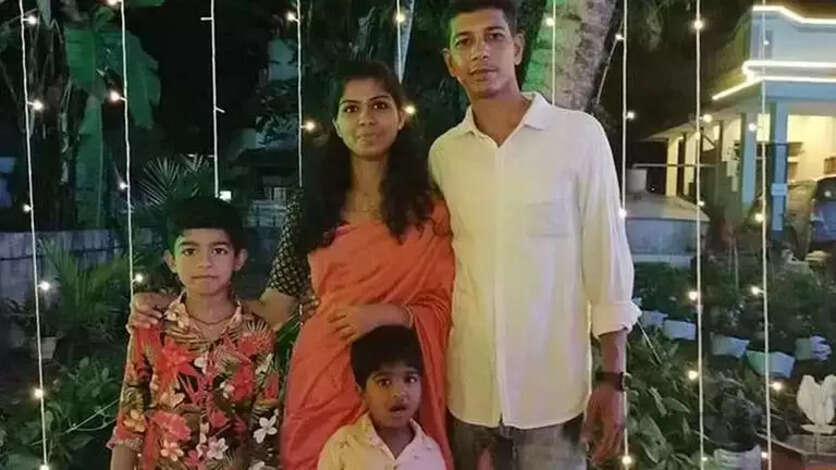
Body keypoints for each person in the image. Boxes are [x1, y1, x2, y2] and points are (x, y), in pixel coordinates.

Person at [128, 60, 454, 470]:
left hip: (398, 377)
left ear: (400, 116)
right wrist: (173, 304)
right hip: (325, 375)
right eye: (351, 108)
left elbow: (447, 301)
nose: (366, 119)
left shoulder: (429, 210)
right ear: (335, 123)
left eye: (379, 105)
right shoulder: (312, 206)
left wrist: (388, 314)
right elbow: (275, 307)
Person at [431, 0, 640, 468]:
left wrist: (613, 379)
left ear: (519, 48)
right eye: (465, 42)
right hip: (469, 400)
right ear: (451, 63)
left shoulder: (579, 138)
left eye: (494, 36)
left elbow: (606, 262)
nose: (480, 52)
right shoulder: (444, 156)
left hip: (555, 402)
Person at [109, 196, 280, 470]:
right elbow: (130, 422)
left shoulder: (258, 336)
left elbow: (265, 433)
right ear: (171, 261)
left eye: (219, 251)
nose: (204, 262)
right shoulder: (152, 330)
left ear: (239, 259)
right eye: (190, 251)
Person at [317, 325, 445, 470]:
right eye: (384, 382)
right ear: (361, 391)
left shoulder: (431, 454)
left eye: (409, 379)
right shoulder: (342, 446)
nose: (398, 393)